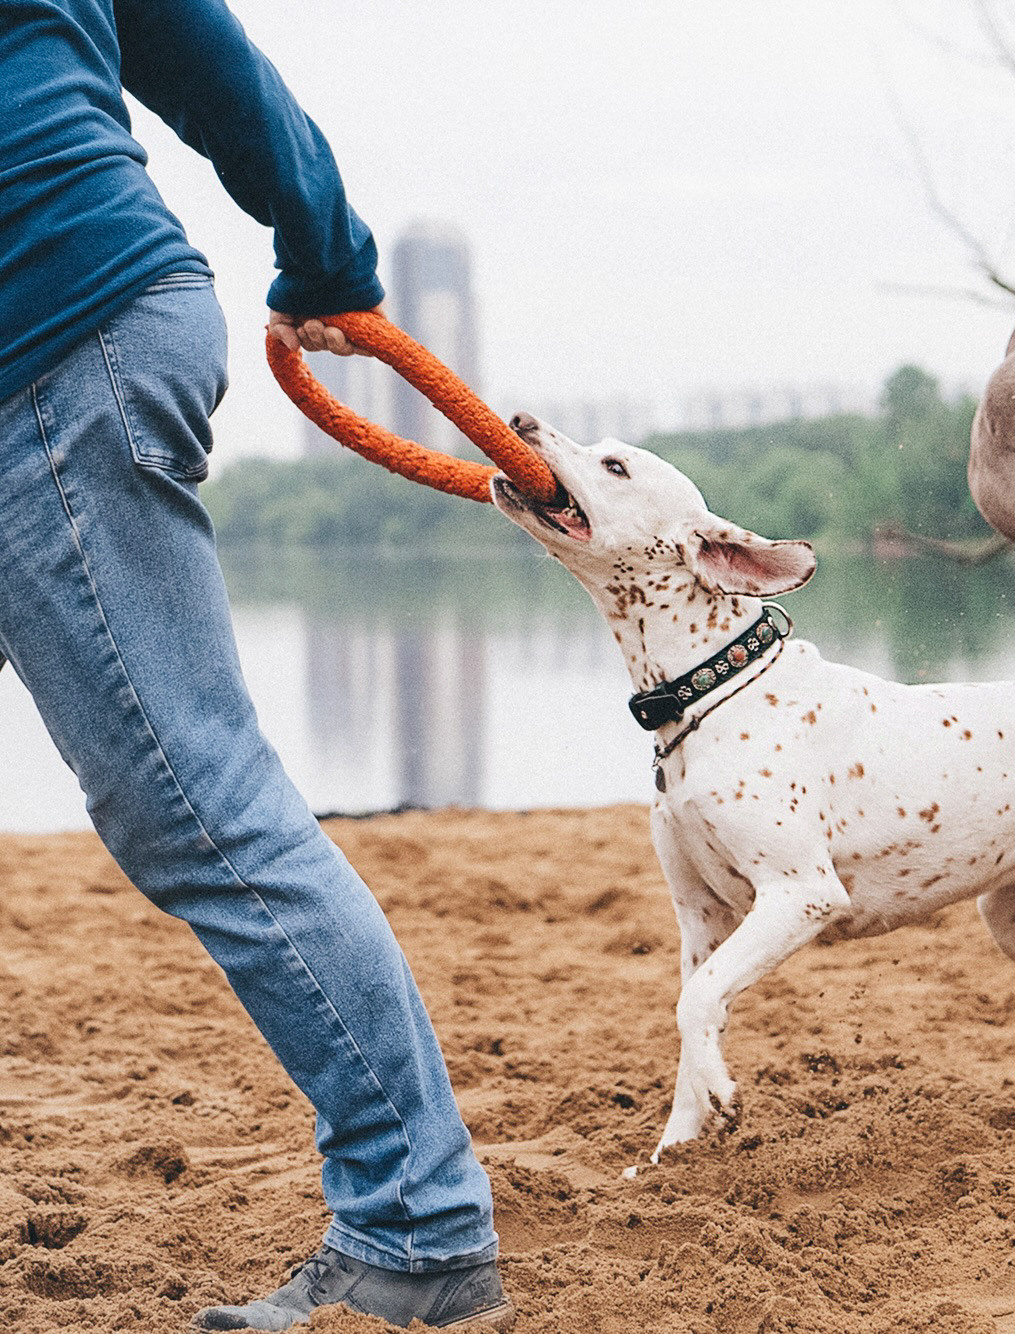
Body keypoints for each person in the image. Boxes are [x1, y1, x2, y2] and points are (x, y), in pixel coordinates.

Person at [0, 2, 513, 1329]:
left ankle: (417, 1226)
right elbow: (209, 57)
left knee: (199, 804)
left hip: (48, 336)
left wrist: (327, 257)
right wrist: (324, 248)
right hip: (96, 317)